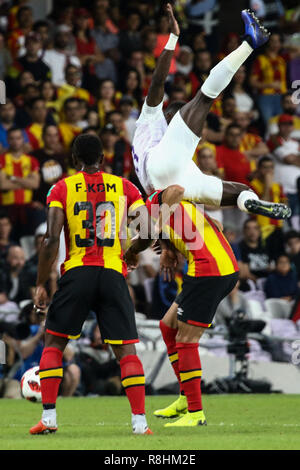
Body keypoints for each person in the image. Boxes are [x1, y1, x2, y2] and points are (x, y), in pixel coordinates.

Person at [31, 133, 153, 436]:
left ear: (74, 159)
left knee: (55, 343)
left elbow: (50, 240)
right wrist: (131, 253)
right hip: (113, 273)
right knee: (126, 352)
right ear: (103, 158)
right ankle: (140, 423)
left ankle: (48, 419)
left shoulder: (61, 188)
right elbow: (148, 232)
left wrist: (41, 283)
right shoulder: (126, 187)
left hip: (77, 272)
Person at [131, 5, 290, 224]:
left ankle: (250, 202)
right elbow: (158, 81)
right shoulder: (153, 117)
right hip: (162, 168)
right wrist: (173, 38)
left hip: (167, 184)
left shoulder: (151, 132)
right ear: (171, 117)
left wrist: (162, 237)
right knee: (204, 98)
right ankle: (250, 43)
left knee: (240, 192)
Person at [126, 184, 239, 426]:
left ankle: (196, 413)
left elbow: (175, 190)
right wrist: (169, 245)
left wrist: (150, 234)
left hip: (209, 271)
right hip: (220, 266)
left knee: (186, 341)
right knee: (168, 326)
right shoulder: (172, 208)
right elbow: (216, 227)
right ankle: (185, 399)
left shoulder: (155, 201)